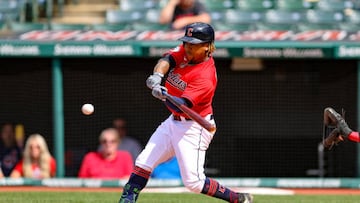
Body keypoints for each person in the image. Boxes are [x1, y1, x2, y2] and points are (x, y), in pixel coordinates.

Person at [118, 22, 253, 203]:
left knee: (194, 183)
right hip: (173, 121)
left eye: (193, 44)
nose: (188, 47)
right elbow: (166, 61)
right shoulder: (186, 51)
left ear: (208, 47)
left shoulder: (206, 77)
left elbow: (182, 105)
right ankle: (126, 200)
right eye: (187, 43)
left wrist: (164, 96)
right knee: (143, 161)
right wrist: (157, 76)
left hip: (194, 127)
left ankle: (237, 198)